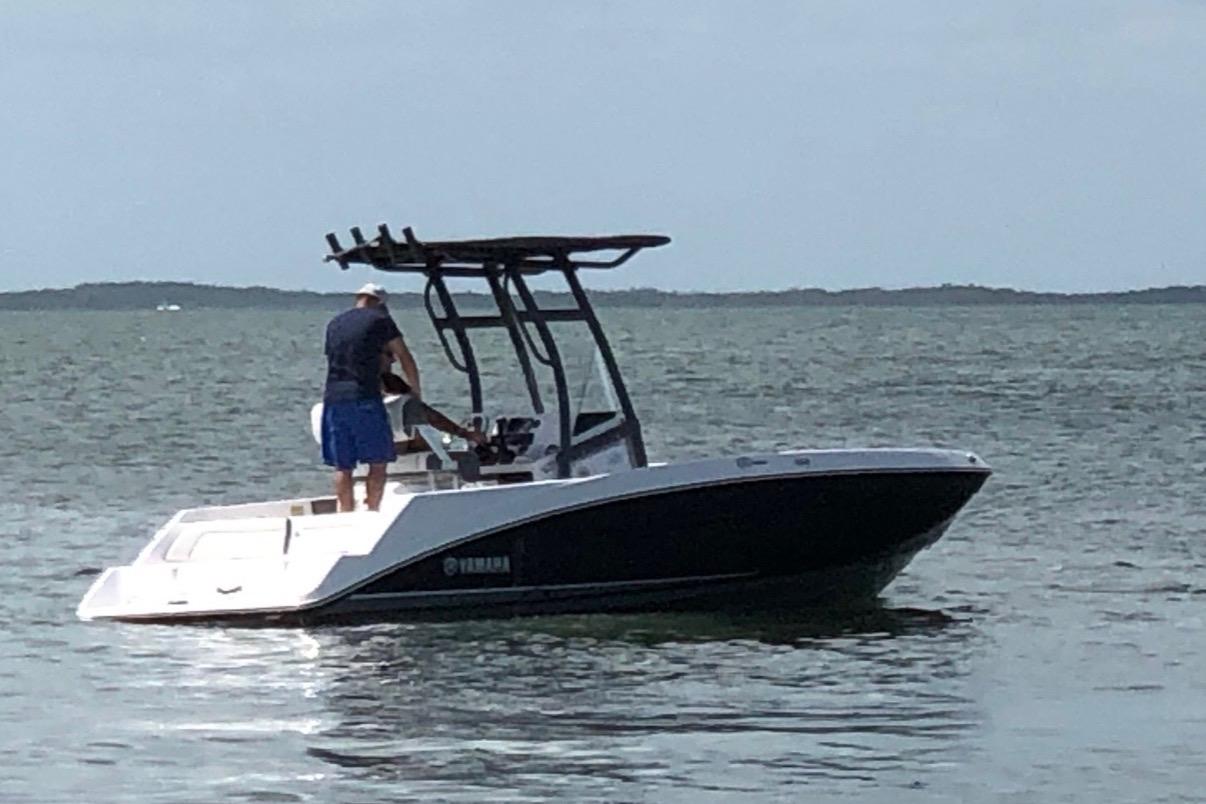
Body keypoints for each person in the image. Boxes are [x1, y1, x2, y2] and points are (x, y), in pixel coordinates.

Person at [321, 283, 420, 512]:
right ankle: (372, 510)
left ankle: (346, 513)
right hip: (364, 399)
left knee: (342, 466)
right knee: (378, 462)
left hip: (333, 401)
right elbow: (404, 356)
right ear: (380, 303)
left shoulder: (334, 324)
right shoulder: (380, 320)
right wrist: (415, 392)